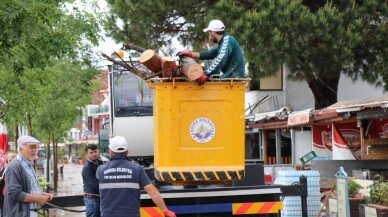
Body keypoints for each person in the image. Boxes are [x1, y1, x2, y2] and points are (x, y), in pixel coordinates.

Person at [96, 136, 176, 217]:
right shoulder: (136, 169)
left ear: (111, 152)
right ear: (127, 152)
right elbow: (152, 191)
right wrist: (165, 211)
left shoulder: (100, 170)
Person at [178, 19, 245, 85]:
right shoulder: (224, 42)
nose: (210, 36)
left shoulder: (227, 41)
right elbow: (210, 54)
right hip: (231, 78)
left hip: (235, 79)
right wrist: (191, 54)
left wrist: (205, 74)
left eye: (209, 33)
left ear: (212, 32)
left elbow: (220, 59)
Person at [3, 136, 53, 217]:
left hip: (29, 212)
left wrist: (41, 194)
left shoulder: (28, 164)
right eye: (31, 147)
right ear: (20, 148)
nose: (34, 150)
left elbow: (28, 189)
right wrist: (38, 198)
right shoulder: (15, 166)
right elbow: (15, 193)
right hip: (22, 213)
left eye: (35, 147)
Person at [82, 144, 103, 217]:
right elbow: (95, 185)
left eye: (95, 151)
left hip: (99, 198)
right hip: (92, 199)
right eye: (91, 152)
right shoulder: (87, 167)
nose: (94, 154)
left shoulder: (100, 162)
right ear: (86, 154)